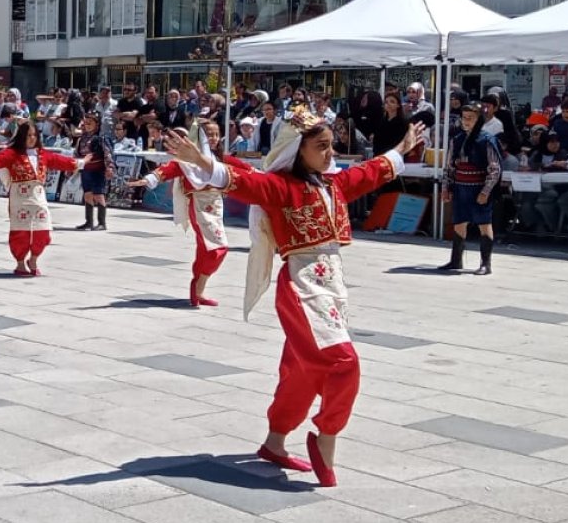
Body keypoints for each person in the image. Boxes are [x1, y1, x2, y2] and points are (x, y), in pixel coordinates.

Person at [165, 109, 426, 487]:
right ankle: (326, 437)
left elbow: (370, 173)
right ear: (296, 150)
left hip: (331, 287)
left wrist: (402, 148)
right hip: (303, 288)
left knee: (301, 372)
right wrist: (200, 160)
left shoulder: (333, 185)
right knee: (344, 364)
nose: (330, 154)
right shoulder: (282, 187)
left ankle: (274, 442)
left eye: (331, 146)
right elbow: (242, 181)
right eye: (321, 147)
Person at [0, 120, 86, 276]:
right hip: (19, 197)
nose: (32, 138)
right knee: (21, 232)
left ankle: (33, 259)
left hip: (38, 197)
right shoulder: (12, 153)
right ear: (22, 137)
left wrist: (81, 163)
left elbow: (61, 161)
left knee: (43, 232)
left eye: (34, 135)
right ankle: (20, 263)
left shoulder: (42, 153)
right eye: (28, 135)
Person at [130, 137, 231, 306]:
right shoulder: (186, 161)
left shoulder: (220, 158)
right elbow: (168, 169)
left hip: (216, 204)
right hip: (199, 205)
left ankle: (198, 290)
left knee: (205, 248)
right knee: (218, 248)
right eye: (209, 135)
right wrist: (148, 180)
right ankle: (198, 284)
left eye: (216, 134)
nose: (213, 138)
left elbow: (244, 171)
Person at [440, 102, 502, 274]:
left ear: (479, 120)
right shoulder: (457, 140)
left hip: (478, 188)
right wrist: (446, 188)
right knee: (459, 223)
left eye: (470, 118)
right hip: (461, 187)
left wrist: (486, 191)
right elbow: (450, 166)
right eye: (464, 118)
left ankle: (485, 264)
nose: (466, 122)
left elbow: (494, 169)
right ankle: (456, 260)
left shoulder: (486, 140)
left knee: (484, 223)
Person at [73, 112, 112, 230]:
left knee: (99, 195)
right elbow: (76, 153)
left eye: (91, 123)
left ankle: (102, 223)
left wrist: (109, 167)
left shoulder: (101, 138)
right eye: (86, 122)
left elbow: (108, 153)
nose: (88, 125)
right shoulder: (82, 138)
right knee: (87, 195)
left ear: (97, 124)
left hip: (98, 170)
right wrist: (73, 166)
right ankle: (88, 222)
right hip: (85, 170)